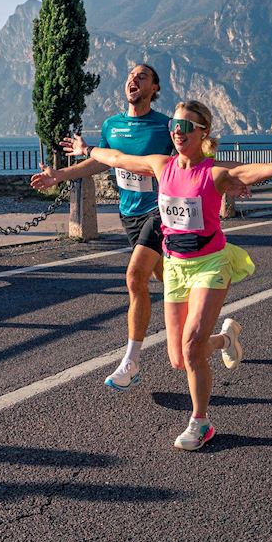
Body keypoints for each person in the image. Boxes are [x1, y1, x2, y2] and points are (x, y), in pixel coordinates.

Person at [64, 101, 272, 450]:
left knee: (191, 344)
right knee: (180, 358)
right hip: (175, 265)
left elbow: (270, 169)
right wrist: (86, 149)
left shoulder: (215, 174)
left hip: (211, 264)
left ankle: (201, 422)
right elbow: (118, 159)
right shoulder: (161, 165)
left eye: (186, 126)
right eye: (174, 125)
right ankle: (226, 340)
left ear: (203, 134)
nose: (178, 132)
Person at [31, 64, 173, 391]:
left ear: (154, 88)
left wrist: (225, 183)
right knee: (166, 279)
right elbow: (99, 161)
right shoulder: (113, 125)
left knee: (135, 275)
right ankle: (210, 333)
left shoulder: (166, 126)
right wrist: (59, 175)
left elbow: (189, 161)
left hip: (159, 211)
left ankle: (131, 361)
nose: (133, 80)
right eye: (131, 76)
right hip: (130, 213)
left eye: (142, 77)